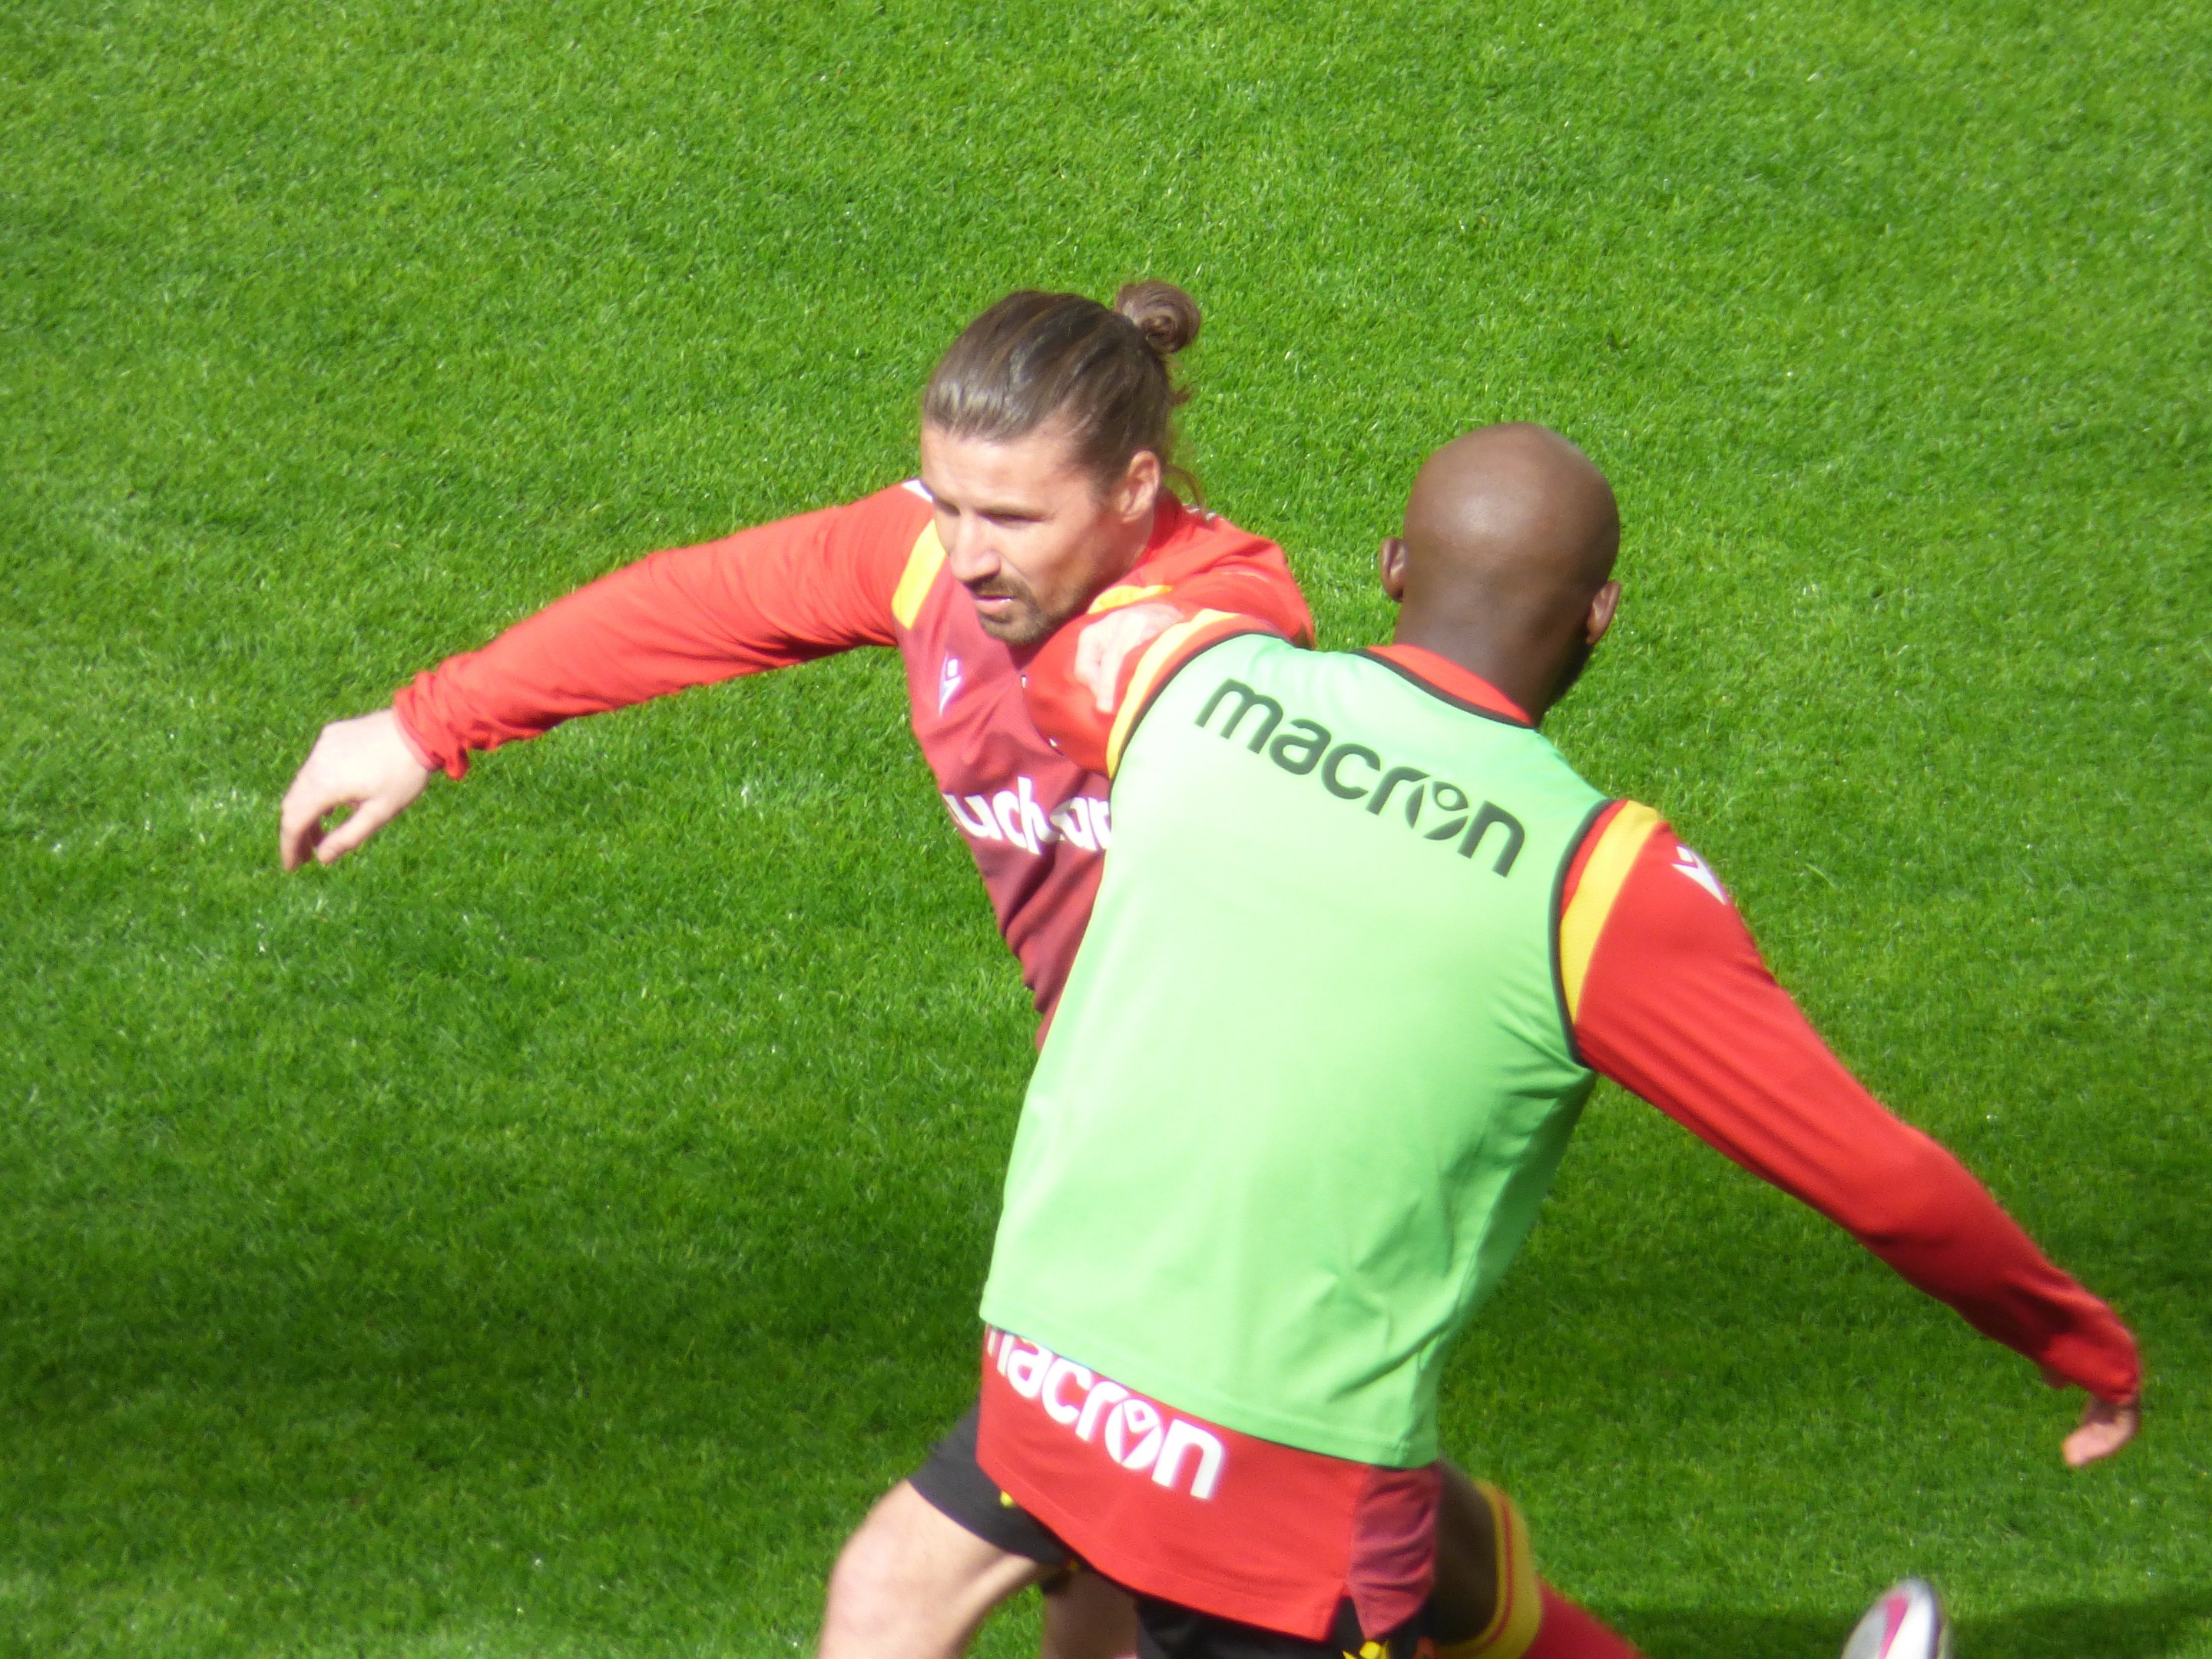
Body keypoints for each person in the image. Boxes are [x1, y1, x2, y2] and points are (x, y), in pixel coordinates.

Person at [278, 284, 1604, 1659]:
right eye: (944, 502)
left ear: (1134, 489)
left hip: (1229, 1189)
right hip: (1113, 1160)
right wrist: (424, 727)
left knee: (931, 1587)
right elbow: (690, 605)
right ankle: (1464, 1565)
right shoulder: (932, 559)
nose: (963, 554)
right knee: (1101, 1572)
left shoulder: (1227, 625)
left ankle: (1442, 1566)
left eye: (1011, 519)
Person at [917, 424, 2139, 1658]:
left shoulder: (1178, 679)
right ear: (1600, 613)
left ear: (1395, 564)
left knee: (1443, 1543)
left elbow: (1077, 656)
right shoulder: (1600, 886)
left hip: (1043, 1385)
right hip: (1279, 1494)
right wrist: (2072, 1333)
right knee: (1372, 1501)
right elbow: (1880, 1181)